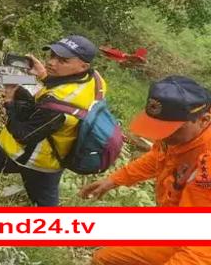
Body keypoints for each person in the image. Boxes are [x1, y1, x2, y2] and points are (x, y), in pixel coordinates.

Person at [0, 35, 105, 206]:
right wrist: (44, 75)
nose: (52, 63)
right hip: (55, 158)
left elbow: (23, 136)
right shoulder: (95, 79)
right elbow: (65, 90)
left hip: (32, 159)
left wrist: (9, 101)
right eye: (52, 55)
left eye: (62, 61)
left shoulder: (60, 105)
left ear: (83, 65)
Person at [81, 76, 211, 265]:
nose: (163, 137)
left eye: (170, 131)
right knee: (105, 259)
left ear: (203, 120)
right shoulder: (176, 136)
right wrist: (115, 180)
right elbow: (157, 157)